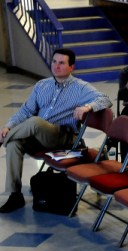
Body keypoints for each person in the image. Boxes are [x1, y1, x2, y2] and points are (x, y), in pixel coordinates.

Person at [0, 48, 112, 213]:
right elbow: (25, 111)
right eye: (54, 62)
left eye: (61, 63)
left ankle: (3, 139)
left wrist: (88, 106)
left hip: (63, 137)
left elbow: (106, 99)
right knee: (14, 143)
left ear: (71, 67)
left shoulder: (81, 87)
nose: (56, 66)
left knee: (36, 122)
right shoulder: (42, 85)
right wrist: (8, 126)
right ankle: (15, 195)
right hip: (38, 135)